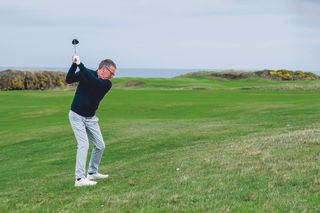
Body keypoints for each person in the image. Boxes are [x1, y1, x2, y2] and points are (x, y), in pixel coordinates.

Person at [66, 55, 116, 187]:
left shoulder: (106, 84)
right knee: (83, 144)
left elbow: (94, 82)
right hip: (76, 116)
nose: (112, 76)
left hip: (91, 118)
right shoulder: (85, 72)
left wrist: (80, 65)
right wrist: (74, 64)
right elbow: (69, 79)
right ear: (104, 69)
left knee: (100, 145)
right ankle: (79, 179)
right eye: (111, 73)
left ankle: (92, 172)